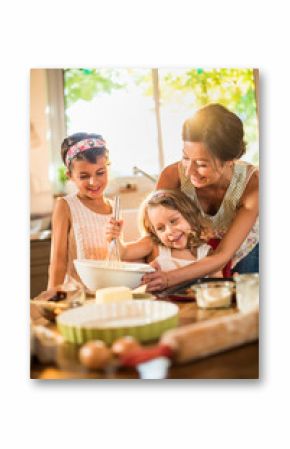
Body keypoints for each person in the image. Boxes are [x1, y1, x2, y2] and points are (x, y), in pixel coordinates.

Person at [142, 103, 259, 291]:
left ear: (229, 160)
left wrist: (170, 277)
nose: (189, 171)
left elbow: (222, 255)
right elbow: (154, 236)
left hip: (244, 251)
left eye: (201, 164)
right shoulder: (172, 176)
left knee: (247, 305)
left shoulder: (253, 185)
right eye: (186, 157)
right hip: (200, 253)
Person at [106, 189, 223, 281]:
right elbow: (124, 252)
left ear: (189, 216)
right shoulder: (153, 245)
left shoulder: (206, 252)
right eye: (161, 228)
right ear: (154, 232)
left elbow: (219, 287)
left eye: (174, 221)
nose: (169, 231)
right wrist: (115, 237)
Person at [48, 132, 113, 288]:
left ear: (107, 168)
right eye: (84, 176)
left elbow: (118, 256)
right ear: (70, 175)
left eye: (100, 173)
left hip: (107, 291)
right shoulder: (65, 206)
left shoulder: (114, 207)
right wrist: (52, 294)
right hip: (76, 295)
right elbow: (58, 260)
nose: (93, 182)